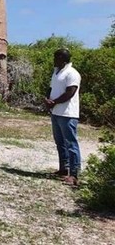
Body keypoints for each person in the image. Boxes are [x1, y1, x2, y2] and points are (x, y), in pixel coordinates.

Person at [45, 48, 82, 186]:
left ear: (63, 59)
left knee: (71, 144)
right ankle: (63, 169)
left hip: (68, 114)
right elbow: (51, 88)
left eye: (56, 57)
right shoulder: (56, 72)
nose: (54, 60)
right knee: (60, 143)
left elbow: (70, 92)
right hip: (56, 113)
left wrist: (54, 102)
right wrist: (47, 99)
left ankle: (74, 174)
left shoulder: (72, 73)